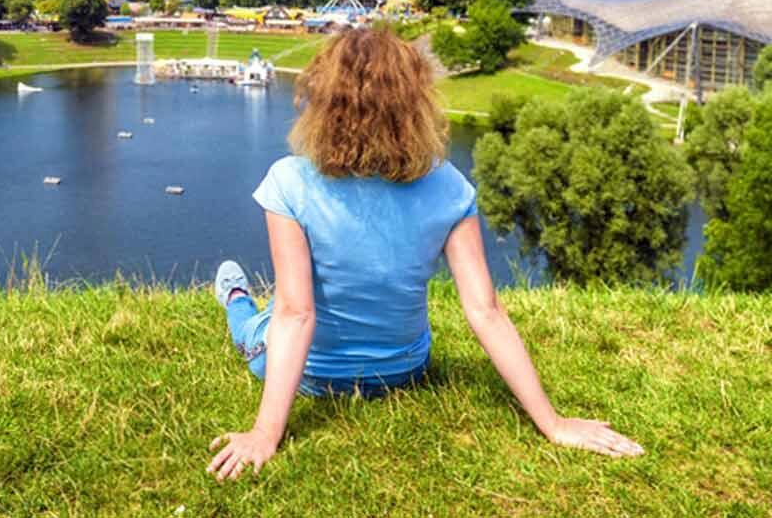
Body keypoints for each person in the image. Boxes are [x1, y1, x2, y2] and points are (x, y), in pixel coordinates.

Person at [206, 27, 643, 481]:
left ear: (325, 101)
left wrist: (265, 433)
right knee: (280, 309)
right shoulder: (450, 185)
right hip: (404, 370)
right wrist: (553, 424)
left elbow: (297, 314)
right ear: (413, 102)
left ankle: (236, 296)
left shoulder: (288, 181)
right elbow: (486, 310)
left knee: (257, 322)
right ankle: (239, 298)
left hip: (315, 377)